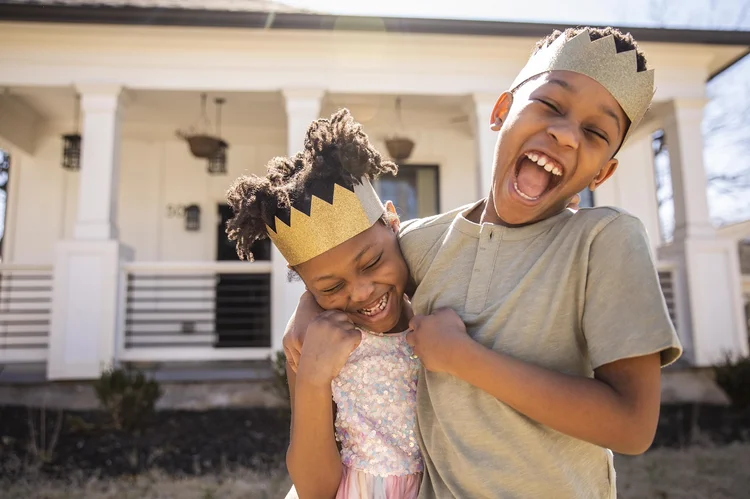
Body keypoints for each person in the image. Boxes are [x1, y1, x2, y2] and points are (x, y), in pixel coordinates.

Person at [283, 27, 683, 499]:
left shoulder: (604, 241)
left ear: (604, 170)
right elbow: (353, 269)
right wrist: (306, 310)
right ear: (500, 111)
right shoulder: (423, 243)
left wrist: (464, 359)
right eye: (551, 105)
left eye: (596, 132)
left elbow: (633, 426)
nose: (566, 134)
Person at [225, 109, 423, 499]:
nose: (363, 292)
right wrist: (313, 377)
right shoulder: (313, 344)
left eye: (372, 262)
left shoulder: (437, 292)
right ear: (308, 286)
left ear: (393, 222)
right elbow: (314, 489)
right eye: (330, 287)